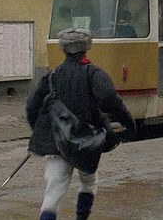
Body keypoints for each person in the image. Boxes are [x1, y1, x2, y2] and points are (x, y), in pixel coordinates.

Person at [26, 28, 134, 220]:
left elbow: (32, 106)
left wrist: (42, 131)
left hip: (57, 144)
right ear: (86, 47)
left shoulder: (51, 76)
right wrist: (127, 122)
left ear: (63, 49)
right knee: (89, 182)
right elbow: (109, 98)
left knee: (52, 194)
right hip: (87, 142)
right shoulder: (93, 72)